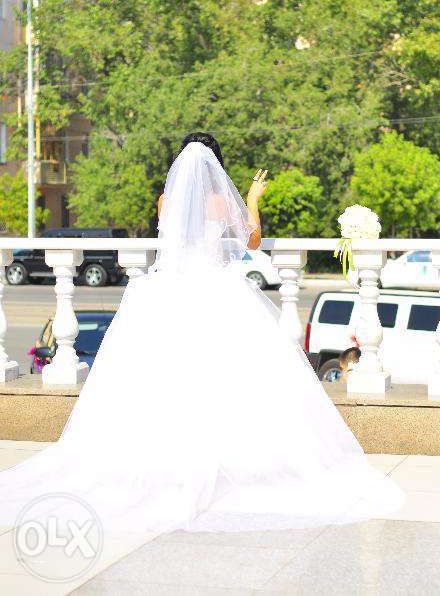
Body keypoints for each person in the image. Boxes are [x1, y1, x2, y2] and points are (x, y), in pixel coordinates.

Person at [0, 132, 402, 534]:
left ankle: (164, 463)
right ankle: (225, 460)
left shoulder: (165, 201)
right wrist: (253, 198)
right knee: (222, 380)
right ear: (216, 166)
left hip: (168, 291)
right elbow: (251, 240)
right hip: (215, 290)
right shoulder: (222, 201)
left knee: (166, 381)